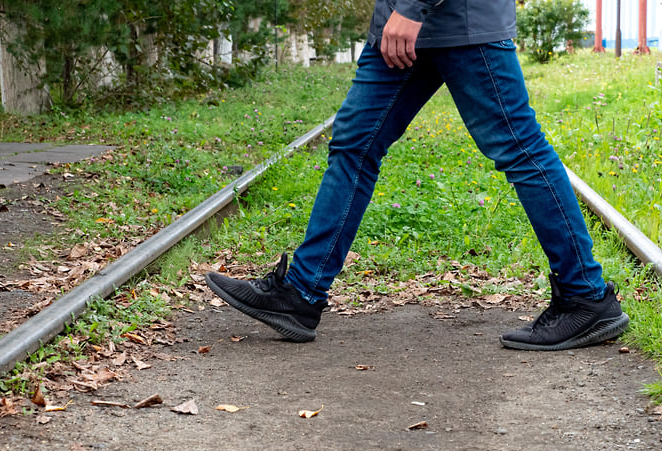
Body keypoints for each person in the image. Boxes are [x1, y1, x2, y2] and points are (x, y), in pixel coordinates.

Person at [205, 0, 629, 351]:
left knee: (520, 148)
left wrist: (412, 7)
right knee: (354, 145)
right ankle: (301, 293)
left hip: (459, 22)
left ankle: (586, 296)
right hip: (400, 28)